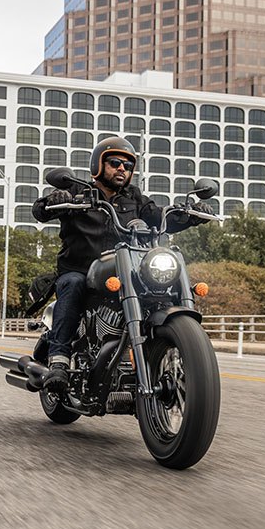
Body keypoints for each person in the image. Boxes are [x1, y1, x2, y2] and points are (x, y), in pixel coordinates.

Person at [31, 136, 212, 391]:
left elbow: (160, 216)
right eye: (115, 162)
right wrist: (52, 201)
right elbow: (39, 211)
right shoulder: (76, 192)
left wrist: (190, 215)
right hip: (82, 271)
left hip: (125, 271)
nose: (122, 169)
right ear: (98, 165)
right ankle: (59, 361)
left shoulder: (135, 198)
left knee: (158, 288)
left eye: (127, 166)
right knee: (72, 284)